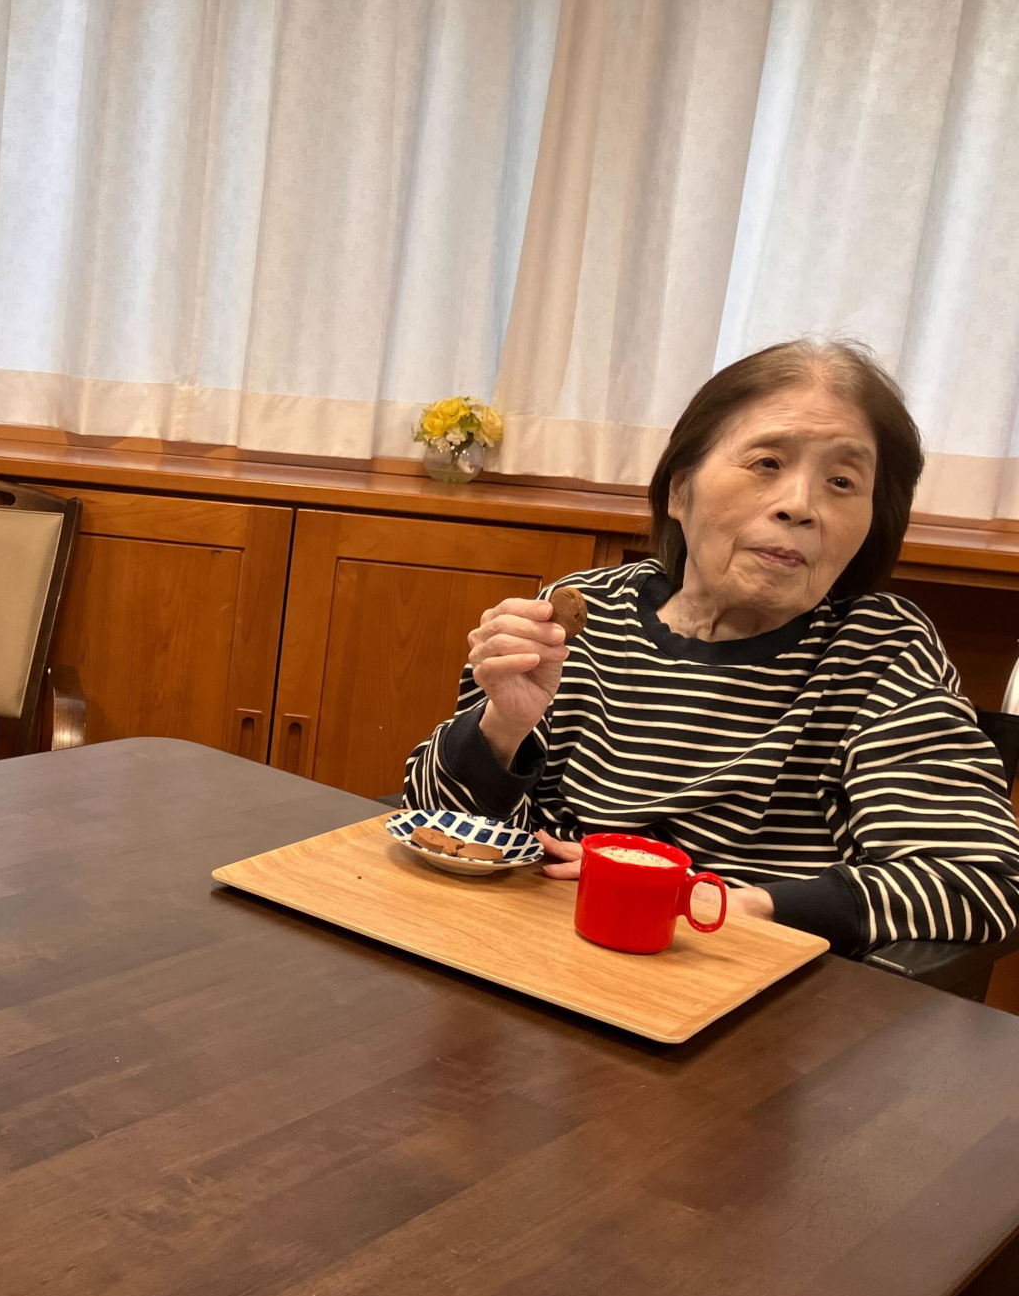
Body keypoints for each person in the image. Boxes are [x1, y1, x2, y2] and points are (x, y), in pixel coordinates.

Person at [405, 339, 1019, 955]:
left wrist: (723, 902)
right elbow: (433, 823)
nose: (799, 506)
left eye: (841, 481)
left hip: (736, 980)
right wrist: (504, 725)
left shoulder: (878, 651)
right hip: (531, 947)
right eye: (767, 463)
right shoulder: (589, 615)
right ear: (680, 491)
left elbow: (981, 880)